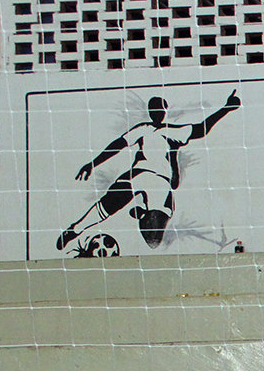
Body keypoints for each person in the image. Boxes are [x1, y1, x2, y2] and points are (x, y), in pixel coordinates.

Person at [58, 91, 241, 253]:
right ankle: (79, 229)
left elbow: (201, 128)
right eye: (154, 109)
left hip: (153, 180)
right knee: (115, 202)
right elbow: (118, 145)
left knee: (152, 230)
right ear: (151, 111)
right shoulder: (145, 129)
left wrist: (226, 109)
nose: (157, 113)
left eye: (159, 109)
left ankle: (141, 210)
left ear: (164, 111)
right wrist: (93, 163)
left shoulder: (171, 132)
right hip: (144, 176)